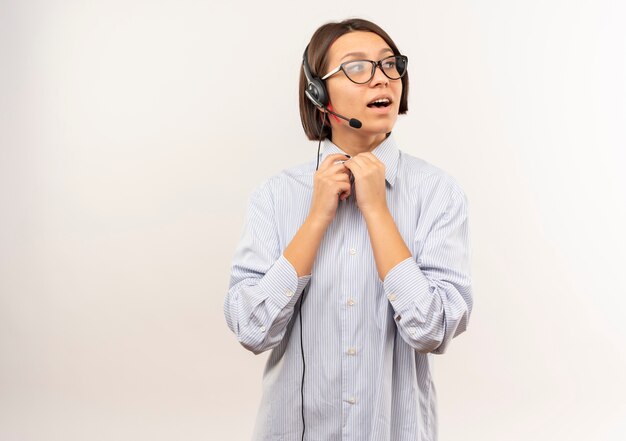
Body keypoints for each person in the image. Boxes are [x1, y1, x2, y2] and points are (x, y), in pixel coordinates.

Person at [224, 18, 473, 441]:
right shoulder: (275, 196)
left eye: (390, 65)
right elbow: (252, 329)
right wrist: (317, 217)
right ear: (319, 95)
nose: (382, 80)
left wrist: (377, 211)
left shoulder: (437, 192)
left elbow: (432, 329)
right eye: (358, 68)